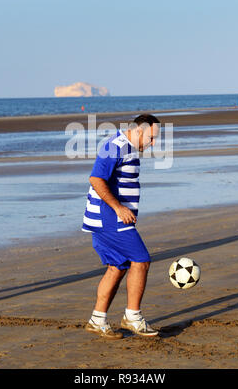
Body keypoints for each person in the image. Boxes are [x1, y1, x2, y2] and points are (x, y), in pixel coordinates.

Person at [82, 113, 160, 339]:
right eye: (151, 138)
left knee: (117, 266)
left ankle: (97, 320)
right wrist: (118, 208)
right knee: (141, 260)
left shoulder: (128, 148)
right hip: (109, 218)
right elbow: (96, 179)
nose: (153, 143)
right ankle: (133, 317)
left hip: (108, 219)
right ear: (138, 131)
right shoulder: (114, 146)